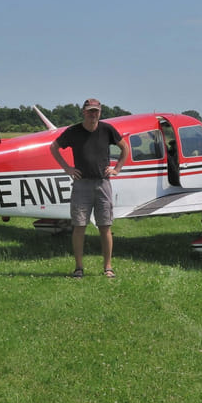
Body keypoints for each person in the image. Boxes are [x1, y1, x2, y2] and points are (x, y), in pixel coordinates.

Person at [50, 98, 128, 278]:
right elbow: (54, 147)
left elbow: (124, 148)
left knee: (105, 226)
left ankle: (108, 267)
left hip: (103, 183)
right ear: (84, 112)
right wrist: (67, 168)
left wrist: (116, 169)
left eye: (96, 111)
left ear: (100, 113)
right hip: (81, 184)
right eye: (90, 111)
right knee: (79, 226)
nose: (93, 114)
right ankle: (79, 268)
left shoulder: (107, 130)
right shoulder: (73, 131)